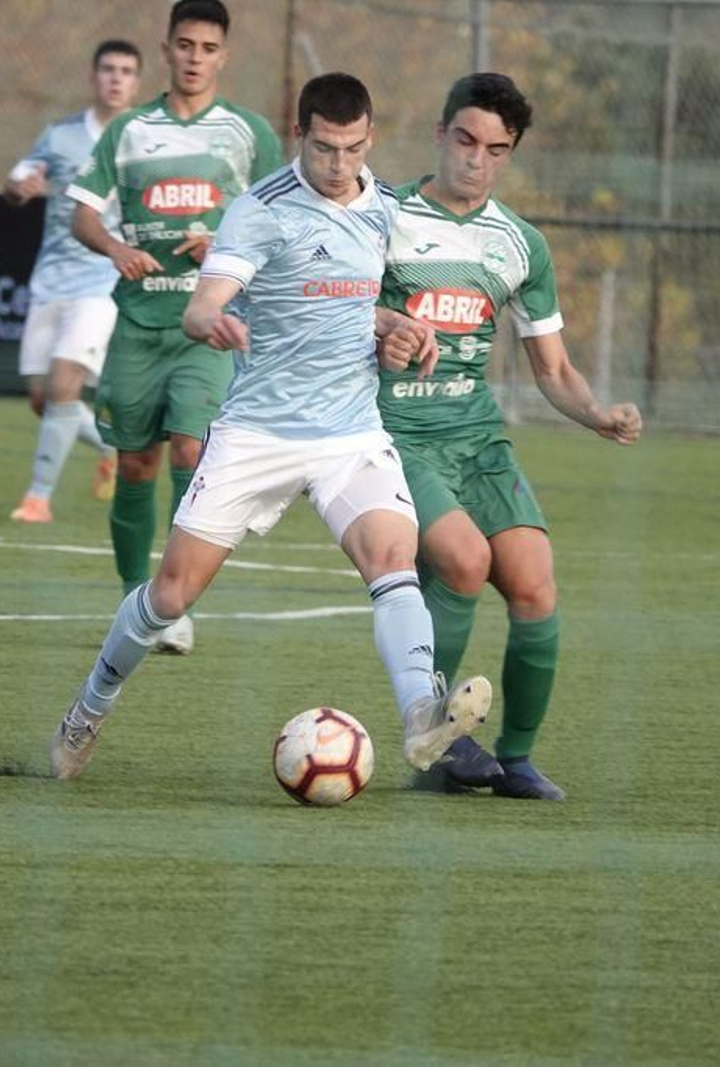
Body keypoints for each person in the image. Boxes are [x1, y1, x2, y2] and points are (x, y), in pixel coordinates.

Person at [49, 73, 494, 783]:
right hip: (259, 432)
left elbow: (357, 306)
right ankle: (89, 707)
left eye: (352, 149)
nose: (338, 164)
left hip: (349, 432)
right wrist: (211, 321)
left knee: (394, 559)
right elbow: (205, 304)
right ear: (299, 135)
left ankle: (420, 713)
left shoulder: (384, 207)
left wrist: (400, 326)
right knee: (171, 595)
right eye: (324, 148)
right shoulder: (261, 209)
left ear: (370, 139)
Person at [376, 73, 643, 801]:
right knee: (464, 561)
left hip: (476, 437)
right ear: (440, 134)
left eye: (496, 149)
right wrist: (381, 331)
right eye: (466, 140)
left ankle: (516, 759)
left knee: (533, 579)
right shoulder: (384, 217)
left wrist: (596, 413)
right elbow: (337, 307)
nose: (477, 159)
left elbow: (552, 368)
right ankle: (436, 742)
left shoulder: (520, 243)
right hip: (395, 433)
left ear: (510, 152)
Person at [65, 0, 283, 654]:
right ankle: (135, 593)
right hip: (138, 323)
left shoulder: (249, 133)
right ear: (166, 50)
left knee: (192, 448)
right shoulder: (129, 130)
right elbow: (82, 212)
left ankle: (172, 598)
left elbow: (280, 221)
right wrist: (115, 248)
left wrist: (222, 243)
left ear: (224, 56)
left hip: (210, 326)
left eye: (208, 48)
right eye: (185, 45)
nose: (195, 58)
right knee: (136, 463)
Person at [6, 40, 143, 524]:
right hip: (51, 279)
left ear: (136, 82)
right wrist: (19, 188)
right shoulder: (61, 135)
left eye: (126, 71)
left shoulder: (144, 139)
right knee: (43, 398)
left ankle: (38, 498)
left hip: (102, 280)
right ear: (93, 76)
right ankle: (109, 447)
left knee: (65, 384)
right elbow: (18, 178)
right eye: (108, 69)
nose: (116, 78)